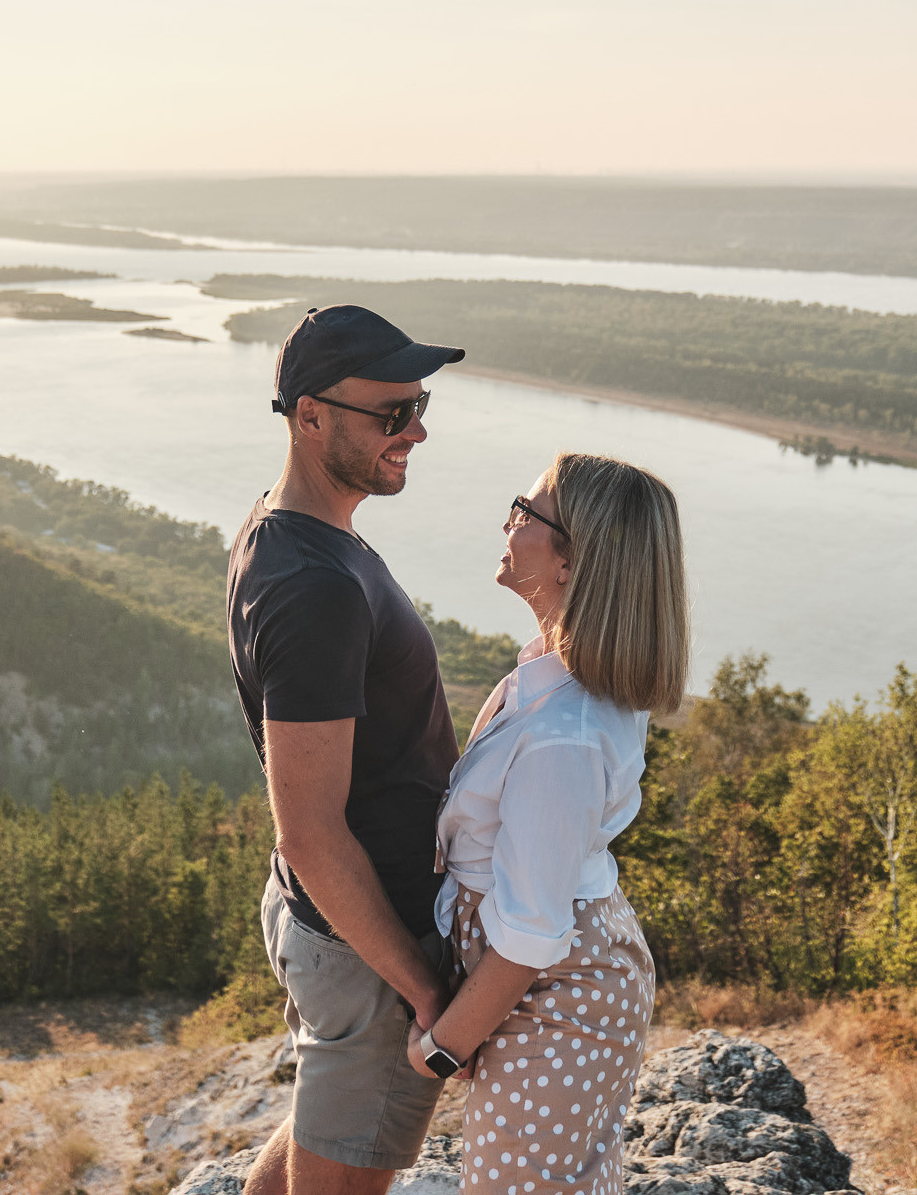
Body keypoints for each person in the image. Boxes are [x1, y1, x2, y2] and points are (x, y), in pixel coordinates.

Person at [231, 304, 469, 1195]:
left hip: (336, 930)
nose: (416, 430)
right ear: (310, 415)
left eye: (419, 405)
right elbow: (312, 834)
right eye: (391, 414)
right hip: (367, 943)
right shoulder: (315, 587)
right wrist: (424, 989)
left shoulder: (287, 528)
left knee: (321, 1135)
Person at [407, 453, 688, 1195]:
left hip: (554, 993)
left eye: (526, 512)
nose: (508, 522)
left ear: (573, 560)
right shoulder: (550, 676)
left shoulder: (562, 733)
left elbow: (531, 932)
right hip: (543, 985)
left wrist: (444, 1044)